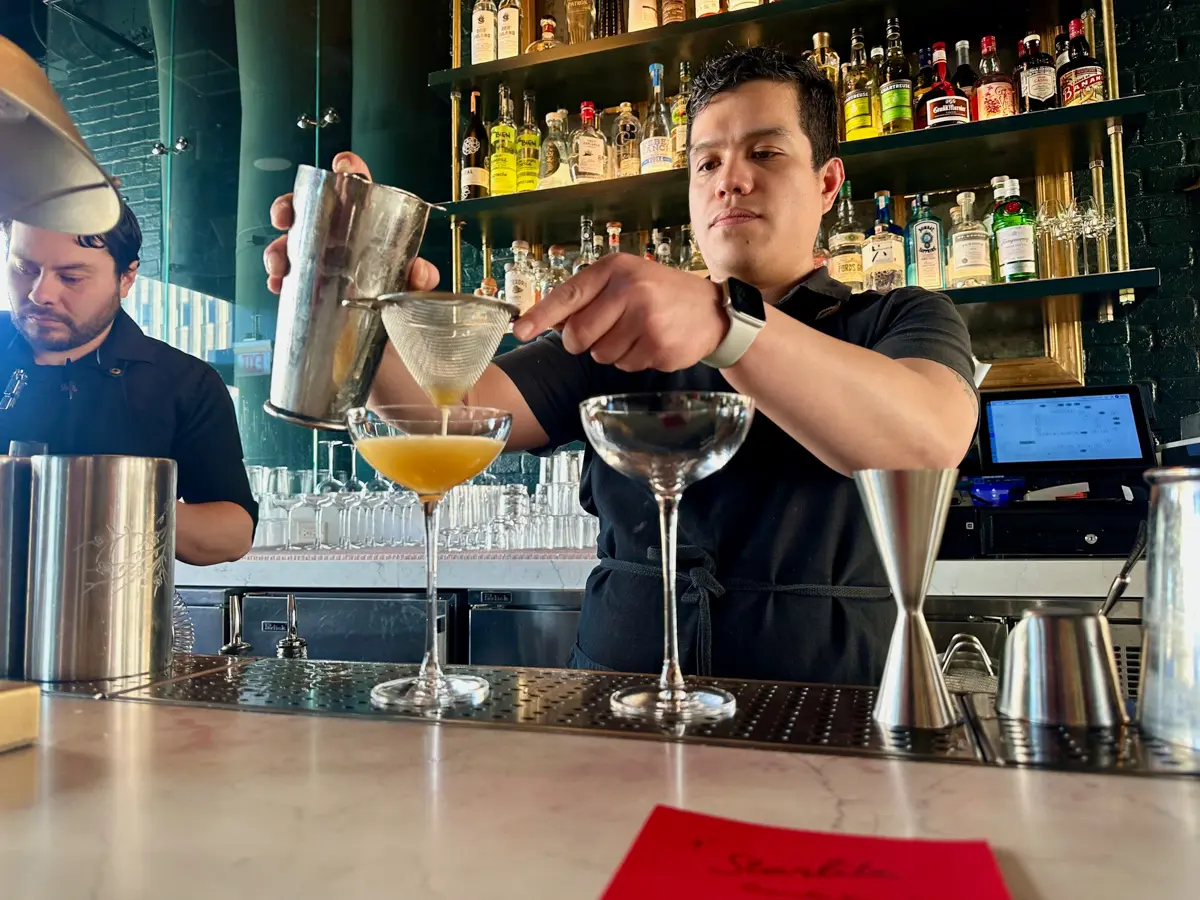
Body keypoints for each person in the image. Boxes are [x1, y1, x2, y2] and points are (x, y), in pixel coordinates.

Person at [264, 47, 978, 684]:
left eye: (764, 154)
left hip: (827, 711)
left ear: (827, 183)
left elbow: (926, 442)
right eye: (706, 162)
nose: (730, 181)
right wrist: (353, 296)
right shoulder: (622, 333)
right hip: (618, 708)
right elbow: (447, 413)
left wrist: (726, 323)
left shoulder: (899, 319)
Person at [2, 201, 257, 565]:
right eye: (24, 269)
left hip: (104, 599)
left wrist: (111, 502)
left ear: (126, 278)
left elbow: (233, 534)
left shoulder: (182, 382)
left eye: (71, 278)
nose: (39, 294)